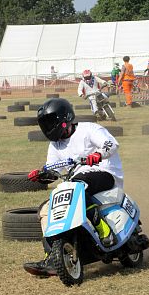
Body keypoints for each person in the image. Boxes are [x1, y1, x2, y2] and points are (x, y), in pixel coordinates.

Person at [23, 98, 124, 277]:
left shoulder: (89, 129)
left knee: (79, 187)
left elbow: (111, 144)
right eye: (44, 124)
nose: (48, 127)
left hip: (104, 172)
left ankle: (103, 230)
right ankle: (52, 257)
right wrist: (41, 175)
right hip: (75, 182)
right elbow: (54, 170)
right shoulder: (55, 145)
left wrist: (98, 154)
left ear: (64, 118)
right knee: (46, 208)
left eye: (50, 122)